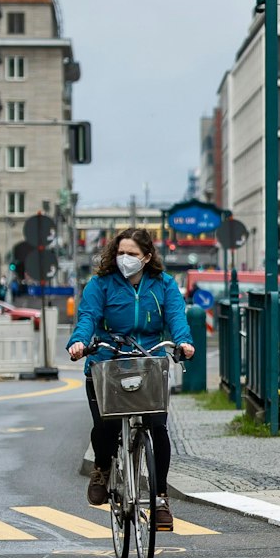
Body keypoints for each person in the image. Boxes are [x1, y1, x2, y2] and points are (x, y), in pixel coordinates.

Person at [67, 228, 195, 532]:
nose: (125, 259)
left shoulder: (163, 285)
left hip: (147, 361)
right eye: (121, 253)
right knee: (106, 426)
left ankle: (161, 499)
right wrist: (79, 342)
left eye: (132, 254)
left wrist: (184, 342)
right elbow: (87, 317)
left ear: (147, 257)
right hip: (107, 361)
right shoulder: (101, 285)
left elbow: (176, 317)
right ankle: (102, 468)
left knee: (158, 427)